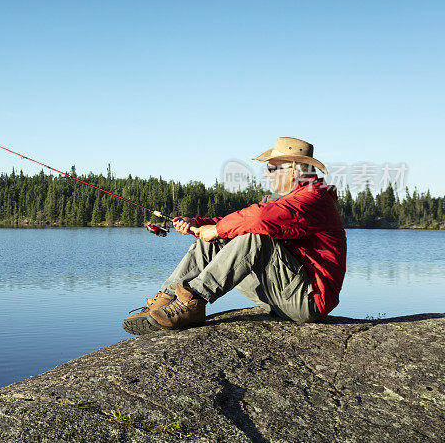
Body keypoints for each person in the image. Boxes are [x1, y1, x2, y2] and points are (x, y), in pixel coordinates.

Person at [123, 137, 347, 335]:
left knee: (255, 237)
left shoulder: (313, 200)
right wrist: (198, 224)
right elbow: (237, 221)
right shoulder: (285, 199)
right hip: (280, 294)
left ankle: (195, 300)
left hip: (307, 301)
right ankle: (166, 299)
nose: (266, 175)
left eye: (271, 169)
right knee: (216, 239)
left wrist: (217, 230)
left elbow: (259, 221)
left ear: (293, 172)